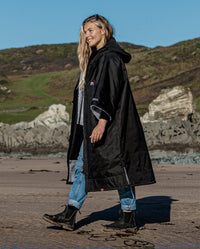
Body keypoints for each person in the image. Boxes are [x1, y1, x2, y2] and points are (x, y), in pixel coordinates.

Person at [43, 14, 155, 232]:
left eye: (91, 30)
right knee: (87, 167)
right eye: (85, 32)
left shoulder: (110, 58)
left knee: (119, 166)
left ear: (104, 30)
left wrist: (102, 123)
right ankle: (70, 213)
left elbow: (110, 93)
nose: (87, 36)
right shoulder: (96, 58)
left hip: (108, 125)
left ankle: (127, 215)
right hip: (91, 125)